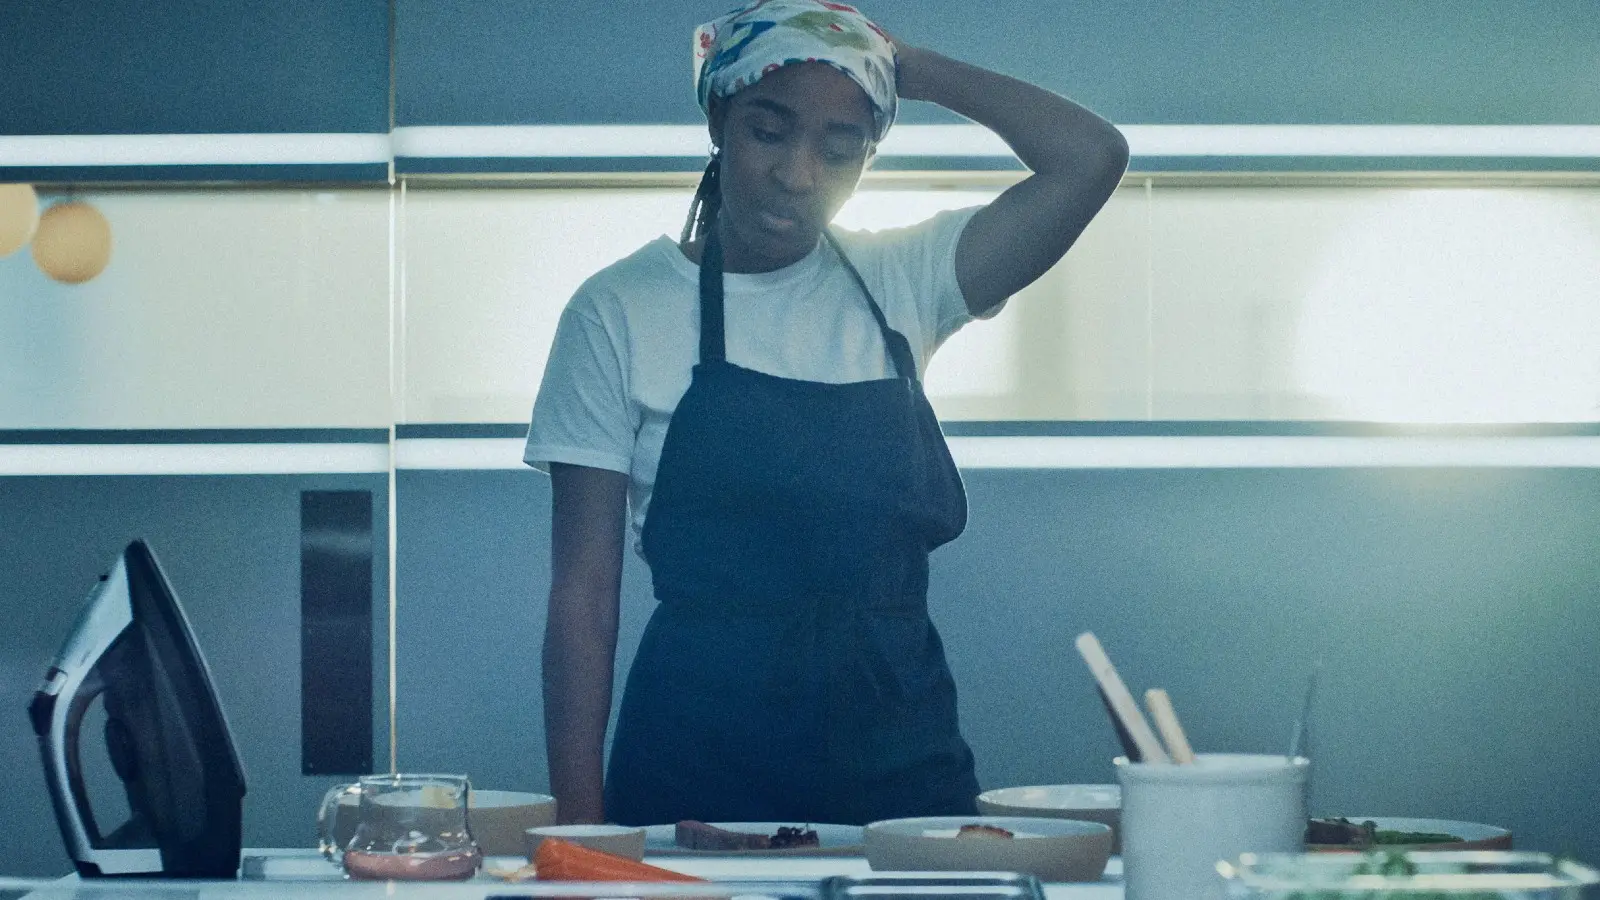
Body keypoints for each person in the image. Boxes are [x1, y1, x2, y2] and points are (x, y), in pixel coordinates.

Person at [525, 0, 1128, 826]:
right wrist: (580, 826)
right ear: (719, 118)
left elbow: (1091, 158)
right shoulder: (618, 310)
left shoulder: (905, 277)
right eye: (769, 132)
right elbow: (585, 596)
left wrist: (902, 65)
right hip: (696, 759)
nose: (799, 173)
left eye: (839, 149)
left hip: (899, 756)